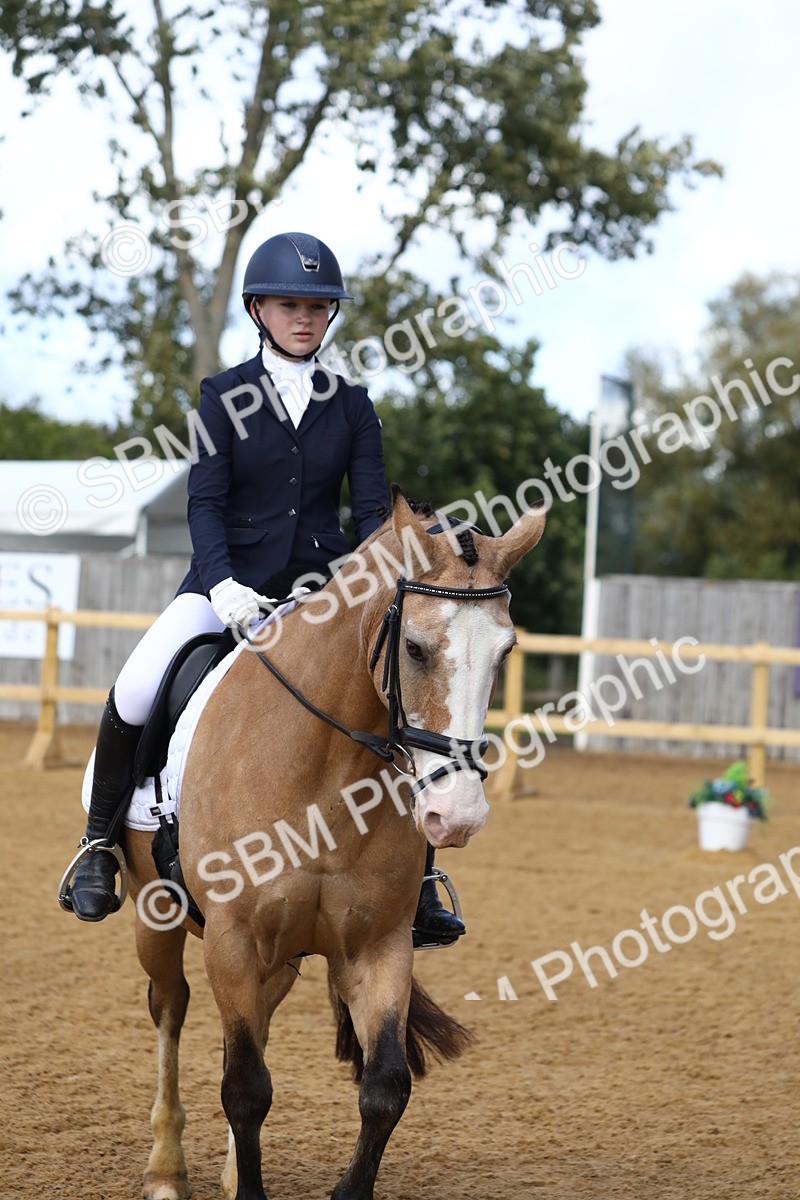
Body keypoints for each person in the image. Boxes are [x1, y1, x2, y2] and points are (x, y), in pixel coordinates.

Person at [62, 230, 465, 946]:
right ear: (257, 309)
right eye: (288, 305)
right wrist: (221, 587)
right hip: (227, 585)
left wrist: (376, 580)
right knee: (136, 684)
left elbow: (372, 514)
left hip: (329, 594)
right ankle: (98, 847)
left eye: (317, 306)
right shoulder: (222, 397)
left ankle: (422, 879)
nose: (304, 317)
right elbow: (205, 504)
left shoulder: (353, 405)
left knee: (399, 701)